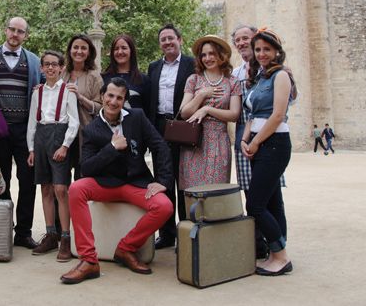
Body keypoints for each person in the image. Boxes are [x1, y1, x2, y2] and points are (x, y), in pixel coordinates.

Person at [60, 77, 173, 284]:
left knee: (164, 206)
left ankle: (126, 249)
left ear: (124, 101)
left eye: (119, 98)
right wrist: (111, 149)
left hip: (134, 183)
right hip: (106, 185)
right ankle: (89, 260)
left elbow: (160, 146)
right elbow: (86, 167)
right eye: (110, 96)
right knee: (76, 188)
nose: (113, 101)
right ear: (102, 96)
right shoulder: (92, 129)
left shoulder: (136, 117)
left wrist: (162, 180)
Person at [0, 17, 42, 249]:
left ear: (25, 35)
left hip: (24, 130)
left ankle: (24, 233)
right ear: (5, 30)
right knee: (1, 181)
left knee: (28, 181)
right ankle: (3, 228)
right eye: (12, 29)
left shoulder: (35, 61)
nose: (15, 34)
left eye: (20, 31)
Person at [241, 28, 293, 276]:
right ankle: (277, 254)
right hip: (259, 143)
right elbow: (251, 114)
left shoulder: (281, 76)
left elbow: (278, 115)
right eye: (258, 49)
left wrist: (256, 142)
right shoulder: (260, 78)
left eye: (267, 49)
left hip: (274, 144)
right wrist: (244, 138)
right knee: (273, 202)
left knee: (255, 205)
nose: (261, 54)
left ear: (277, 52)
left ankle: (281, 256)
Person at [27, 50, 79, 261]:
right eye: (46, 64)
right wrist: (31, 149)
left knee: (61, 188)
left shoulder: (68, 91)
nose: (50, 68)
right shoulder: (37, 92)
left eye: (54, 64)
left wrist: (65, 145)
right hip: (41, 136)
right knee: (46, 187)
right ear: (41, 68)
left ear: (61, 68)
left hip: (59, 136)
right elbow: (32, 122)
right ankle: (51, 234)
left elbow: (74, 121)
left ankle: (65, 237)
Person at [146, 24, 195, 250]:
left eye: (171, 38)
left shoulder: (191, 64)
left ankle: (186, 230)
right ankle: (166, 233)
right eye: (163, 40)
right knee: (163, 180)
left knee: (183, 180)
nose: (167, 43)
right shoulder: (153, 67)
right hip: (159, 126)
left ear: (180, 40)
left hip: (183, 126)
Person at [177, 35, 241, 189]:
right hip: (195, 142)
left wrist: (207, 109)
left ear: (221, 55)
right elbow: (184, 112)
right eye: (203, 55)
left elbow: (234, 115)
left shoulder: (232, 81)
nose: (207, 58)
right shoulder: (193, 79)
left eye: (212, 53)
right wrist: (202, 95)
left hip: (219, 143)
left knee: (216, 194)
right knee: (194, 194)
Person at [62, 34, 103, 179]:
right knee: (60, 181)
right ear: (70, 50)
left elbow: (101, 107)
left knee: (82, 178)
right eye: (76, 47)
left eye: (83, 48)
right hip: (61, 133)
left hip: (85, 134)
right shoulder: (62, 72)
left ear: (89, 52)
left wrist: (80, 97)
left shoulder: (94, 76)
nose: (79, 51)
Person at [101, 34, 151, 110]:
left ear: (131, 51)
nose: (120, 52)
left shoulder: (143, 79)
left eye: (124, 48)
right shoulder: (103, 78)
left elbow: (149, 111)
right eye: (116, 49)